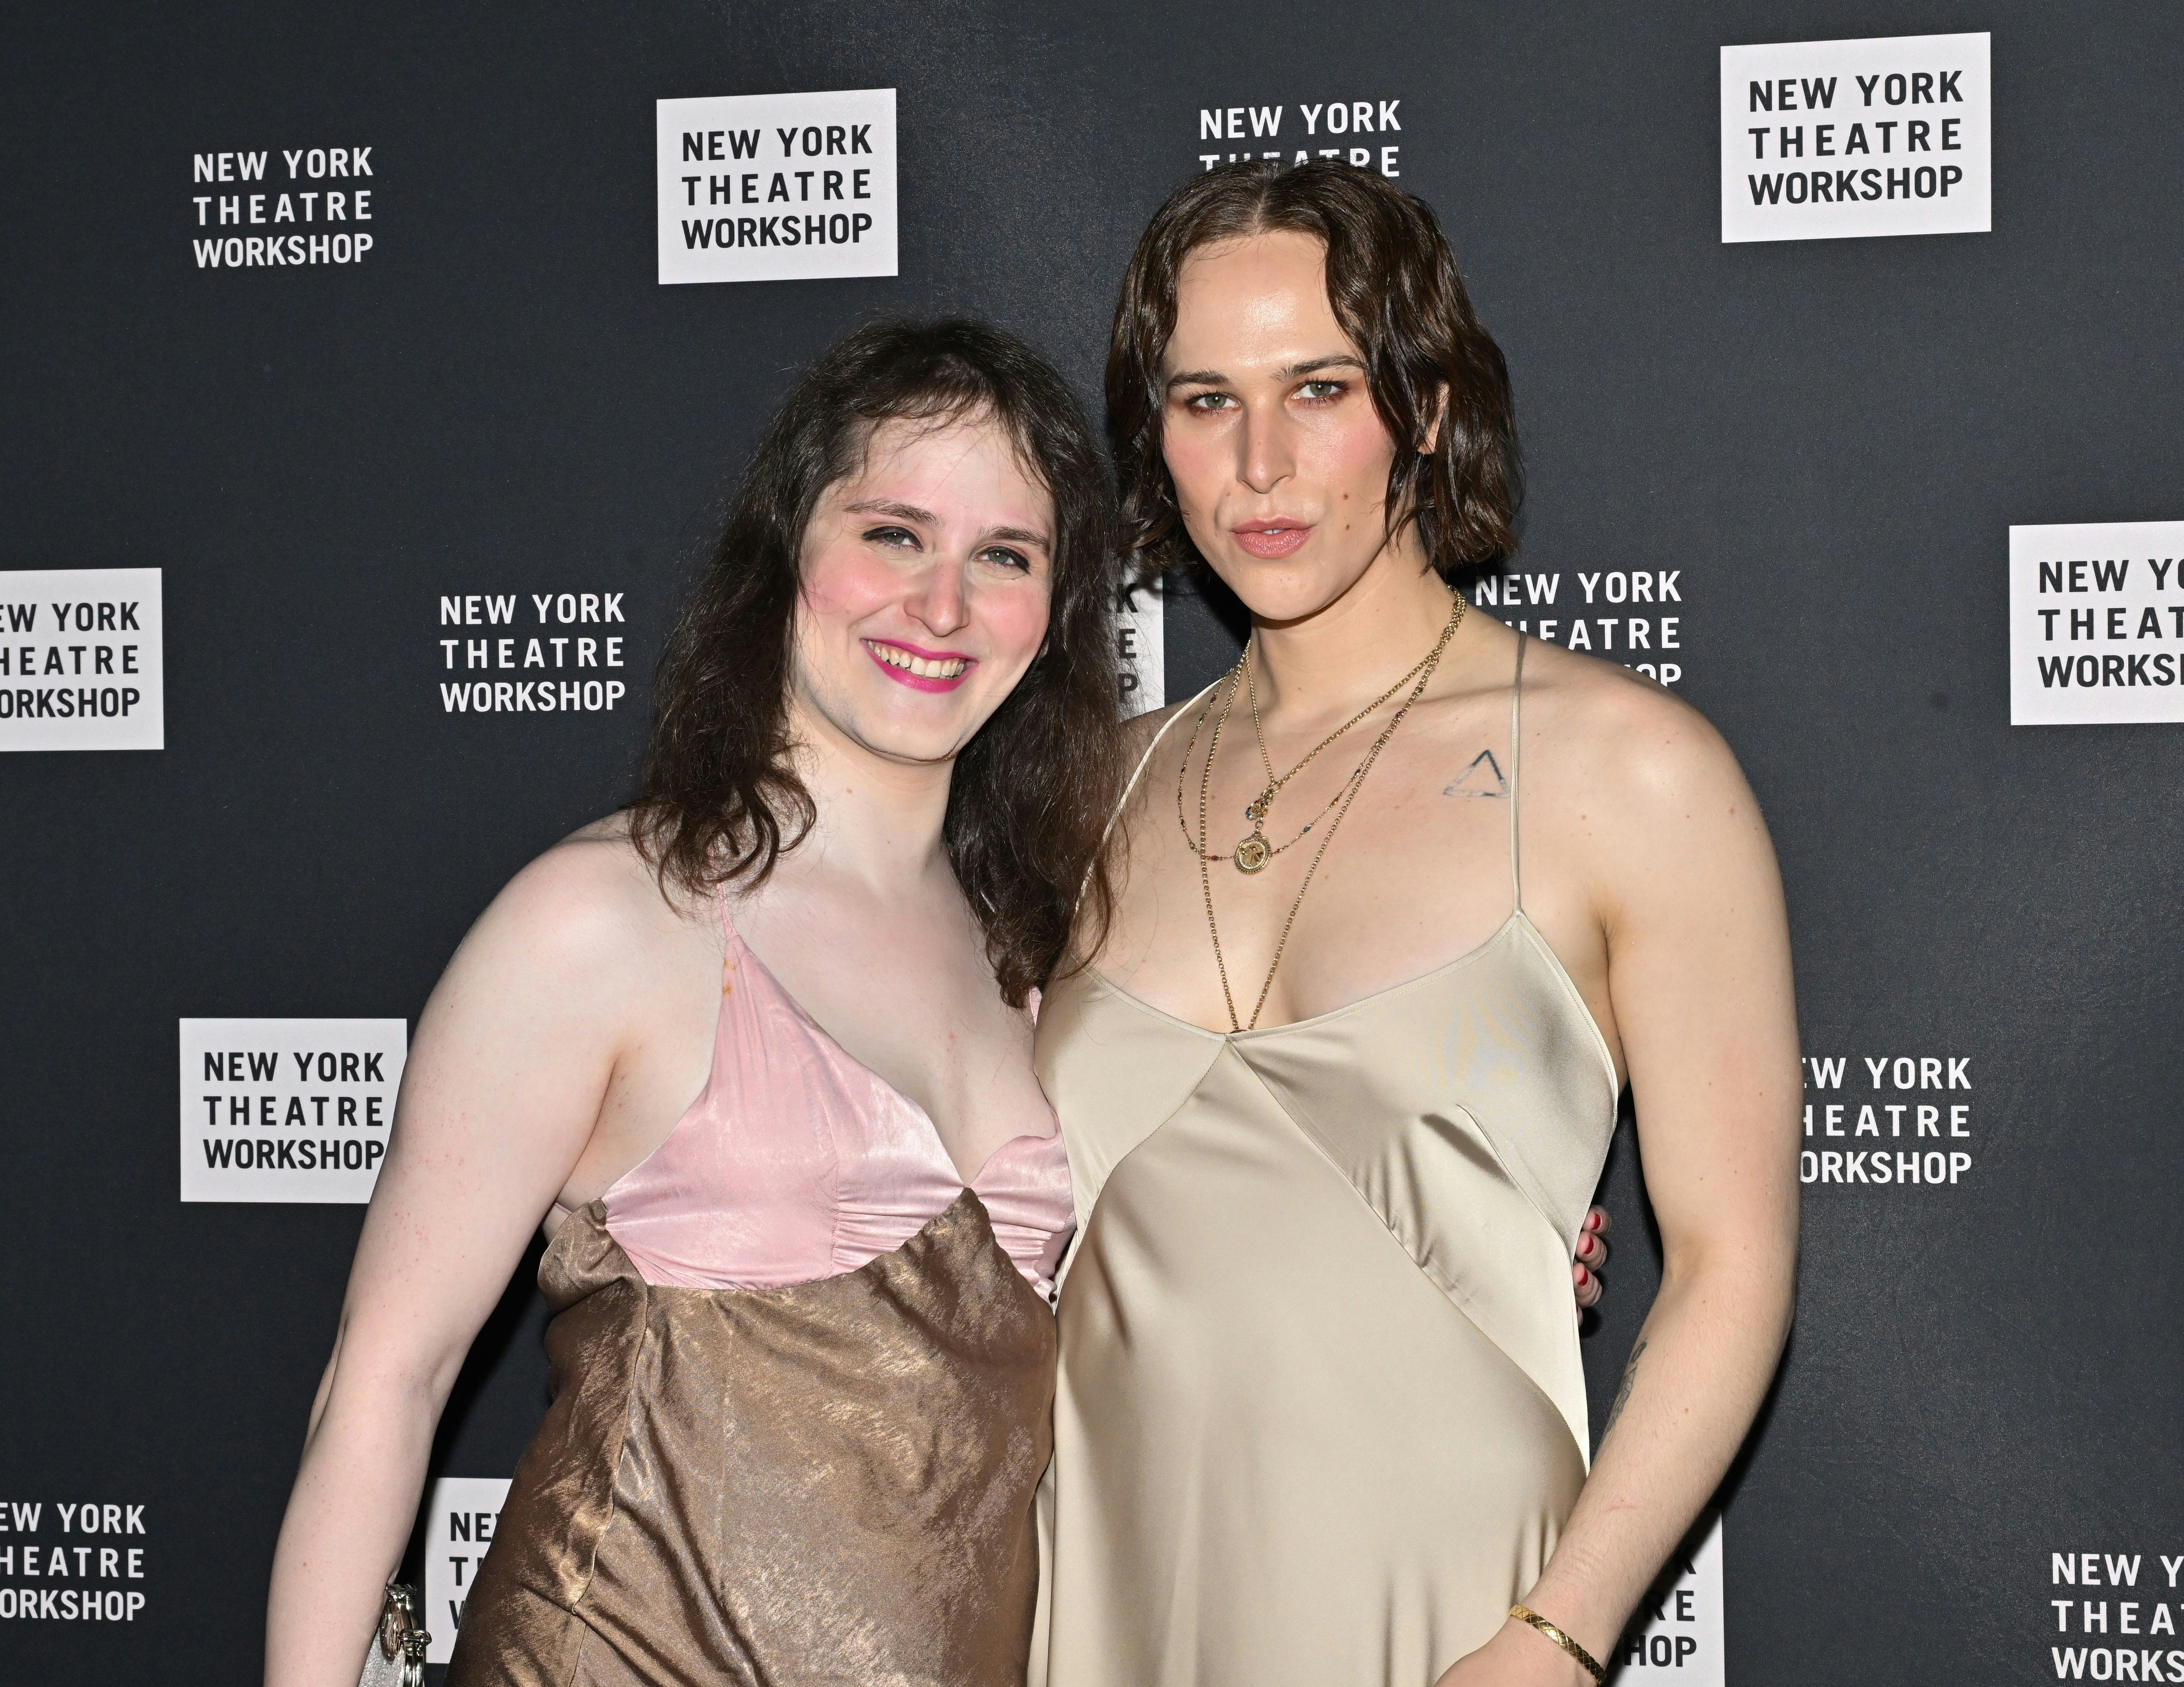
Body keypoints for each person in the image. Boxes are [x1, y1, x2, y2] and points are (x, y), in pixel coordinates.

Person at [262, 318, 1128, 1687]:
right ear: (788, 548)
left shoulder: (1033, 954)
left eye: (1004, 557)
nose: (942, 604)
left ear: (1056, 609)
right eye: (894, 534)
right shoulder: (605, 919)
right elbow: (386, 1384)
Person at [1030, 161, 1801, 1687]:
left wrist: (1561, 1635)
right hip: (1104, 1588)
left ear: (1428, 408)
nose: (1259, 463)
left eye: (1319, 389)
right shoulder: (1090, 797)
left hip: (1458, 1608)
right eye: (1204, 400)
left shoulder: (1629, 772)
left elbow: (1732, 1264)